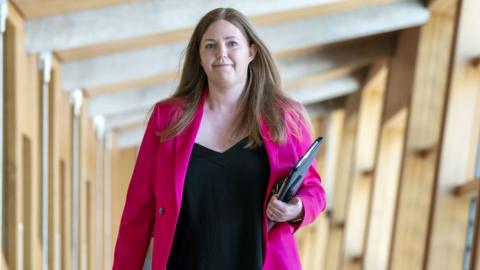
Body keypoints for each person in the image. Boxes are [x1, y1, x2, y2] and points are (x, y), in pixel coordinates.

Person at [113, 7, 326, 270]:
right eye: (210, 45)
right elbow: (138, 211)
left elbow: (314, 191)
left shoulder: (284, 116)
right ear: (200, 58)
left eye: (232, 44)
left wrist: (297, 208)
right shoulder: (167, 118)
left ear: (251, 52)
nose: (221, 53)